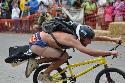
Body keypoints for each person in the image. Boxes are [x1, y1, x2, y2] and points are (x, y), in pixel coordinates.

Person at [25, 21, 121, 83]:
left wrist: (114, 39)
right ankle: (44, 75)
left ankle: (36, 62)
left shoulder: (79, 34)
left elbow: (97, 37)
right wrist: (109, 52)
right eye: (89, 40)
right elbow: (89, 52)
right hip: (38, 44)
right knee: (63, 57)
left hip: (39, 41)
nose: (90, 42)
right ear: (83, 37)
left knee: (61, 55)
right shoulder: (71, 38)